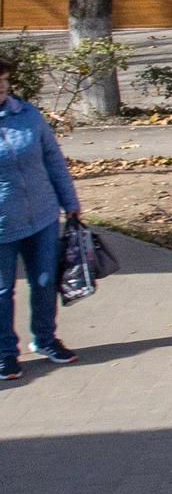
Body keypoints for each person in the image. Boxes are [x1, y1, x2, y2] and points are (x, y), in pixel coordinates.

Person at [0, 50, 81, 381]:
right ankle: (5, 353)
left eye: (3, 81)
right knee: (3, 291)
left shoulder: (27, 114)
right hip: (2, 225)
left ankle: (46, 340)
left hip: (43, 215)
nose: (1, 88)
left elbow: (53, 158)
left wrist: (70, 200)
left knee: (46, 281)